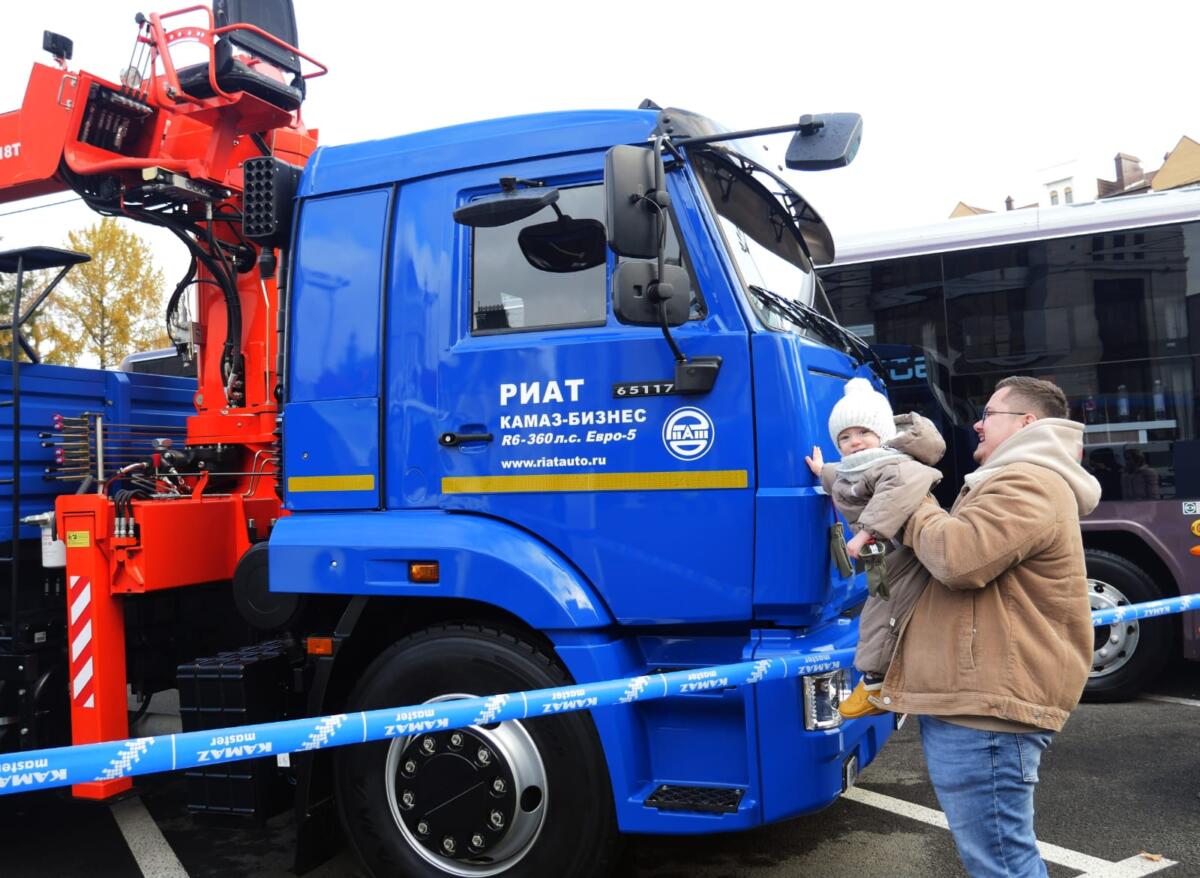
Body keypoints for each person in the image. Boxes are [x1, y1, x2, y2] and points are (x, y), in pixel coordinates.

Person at [874, 376, 1101, 878]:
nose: (976, 422)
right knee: (1000, 858)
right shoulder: (1017, 477)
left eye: (989, 413)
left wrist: (908, 499)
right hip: (978, 702)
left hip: (987, 710)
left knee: (1001, 864)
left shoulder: (1028, 480)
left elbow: (958, 559)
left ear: (1027, 424)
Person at [804, 377, 945, 718]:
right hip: (890, 557)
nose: (855, 442)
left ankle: (874, 684)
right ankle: (886, 680)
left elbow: (899, 490)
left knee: (881, 616)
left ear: (882, 435)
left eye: (863, 433)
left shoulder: (894, 463)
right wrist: (822, 471)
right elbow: (842, 479)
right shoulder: (859, 466)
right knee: (883, 613)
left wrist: (866, 533)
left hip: (914, 555)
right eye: (845, 437)